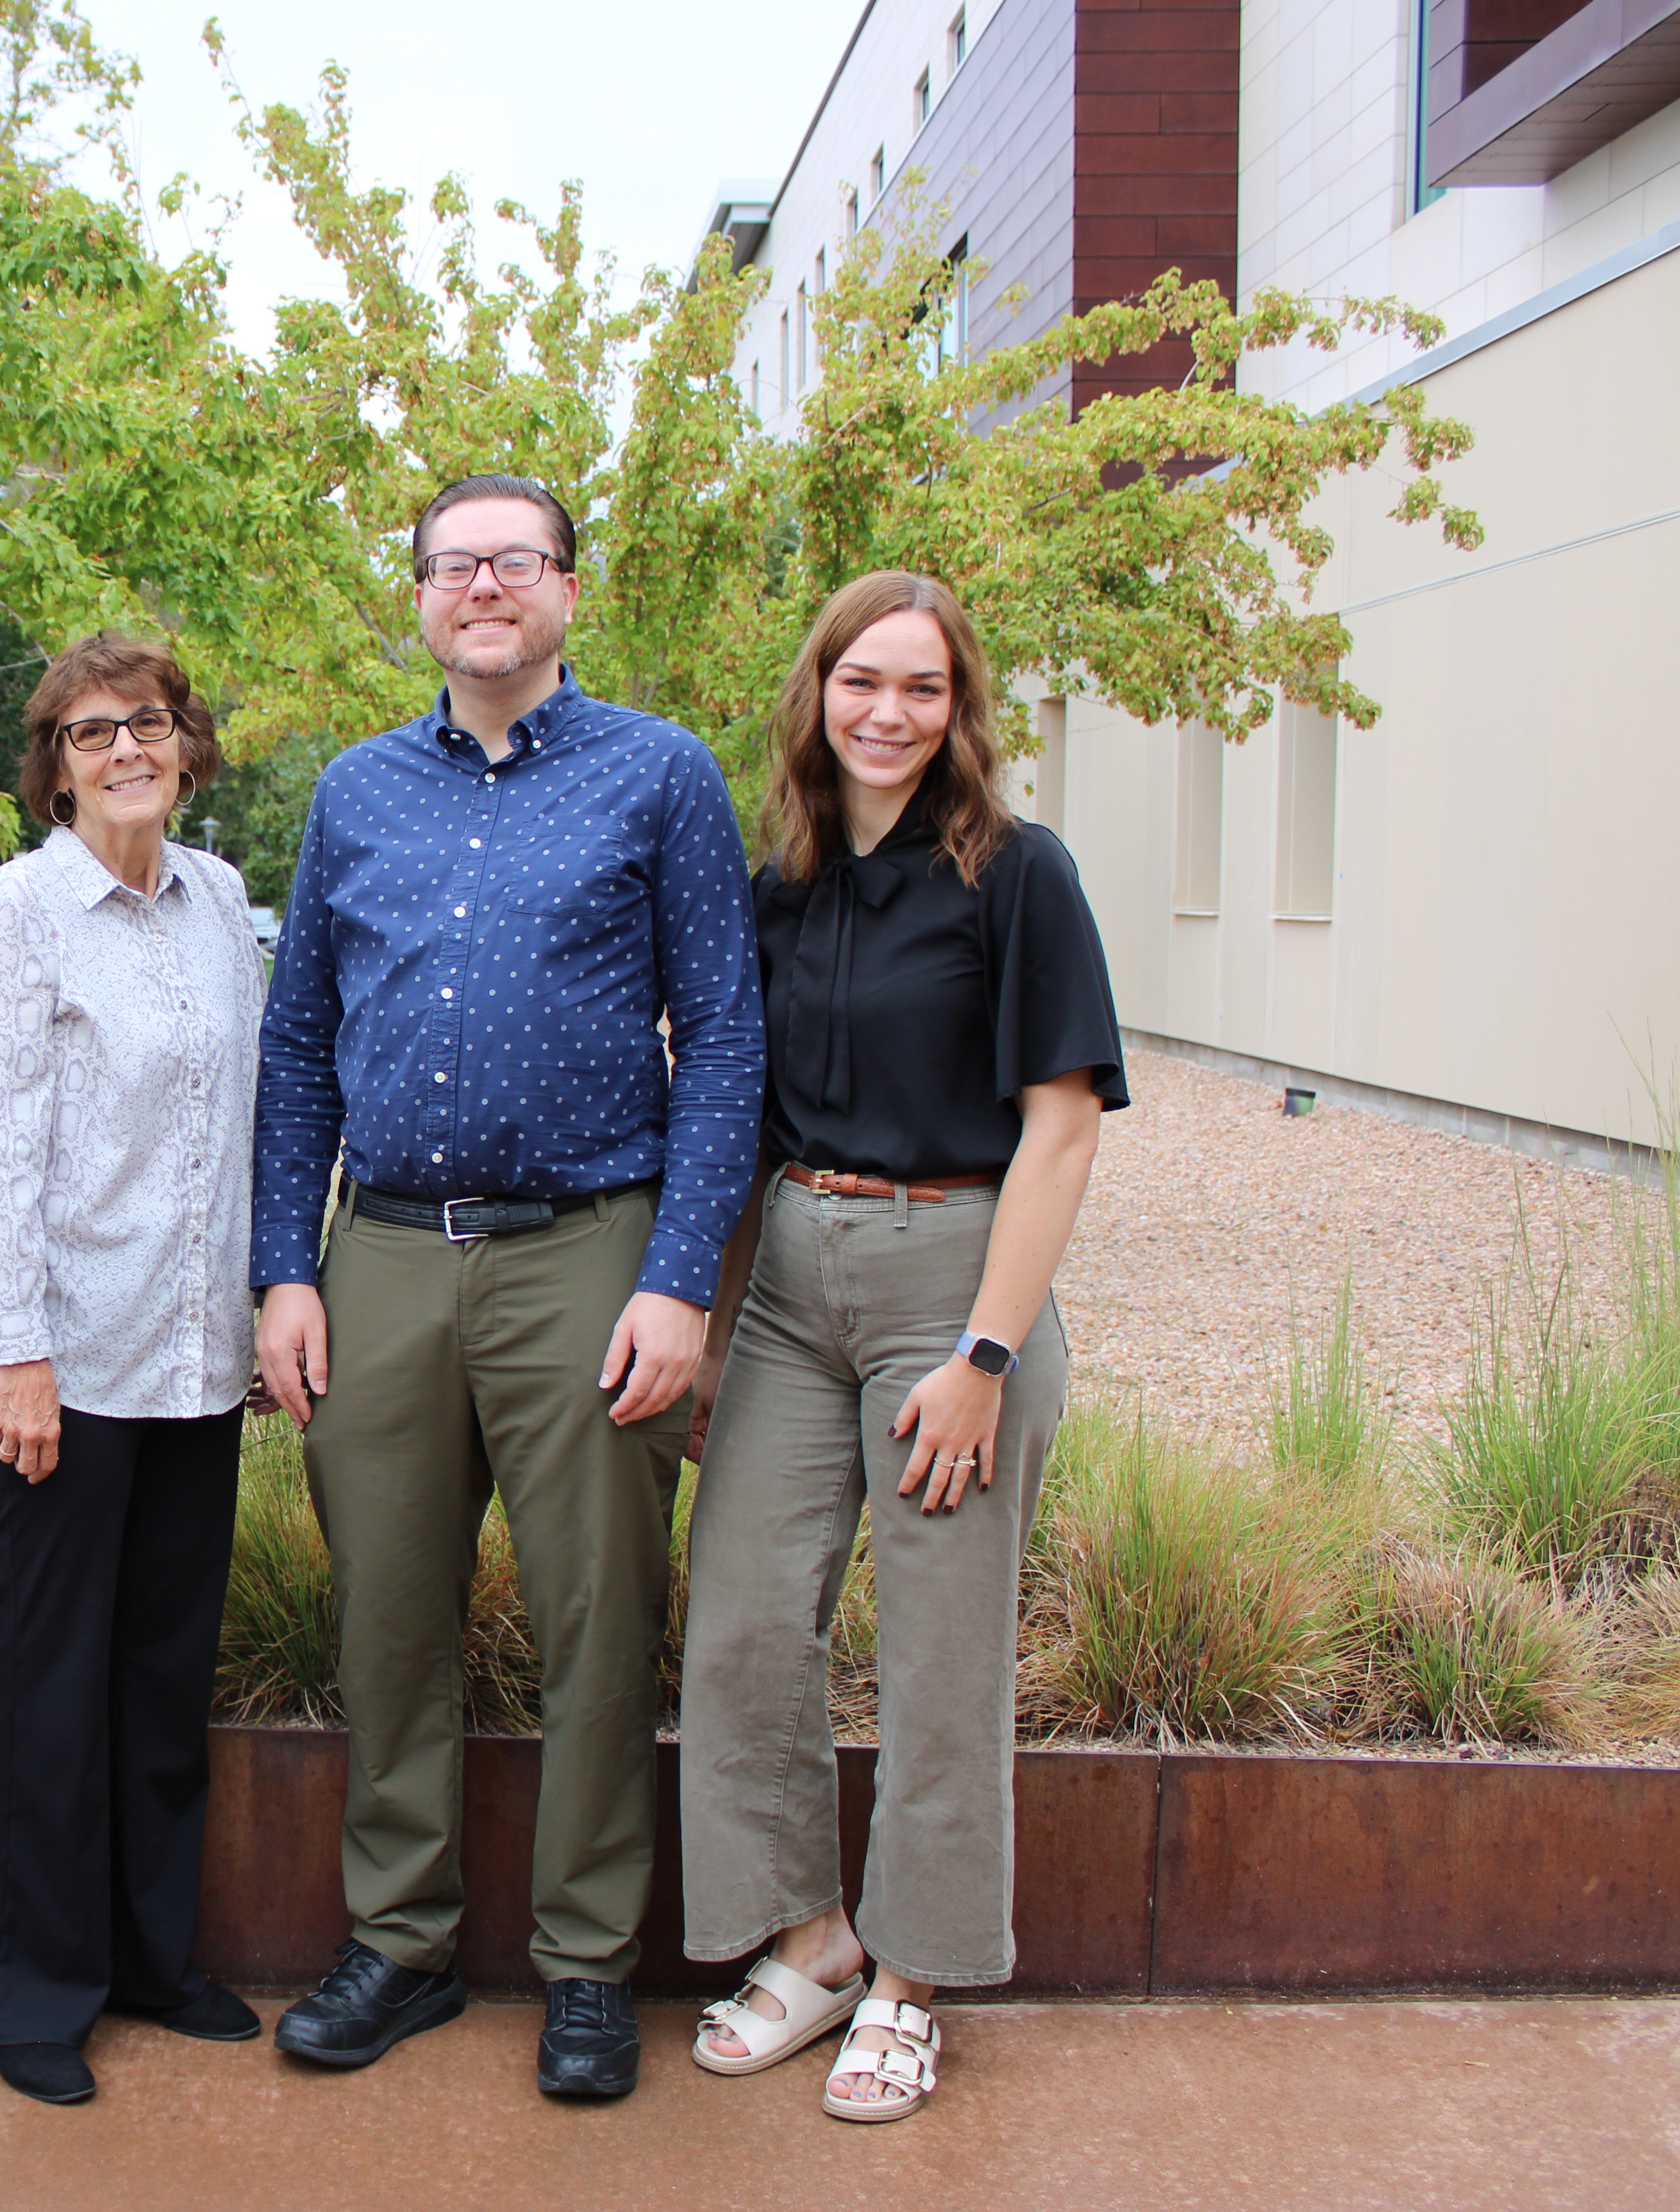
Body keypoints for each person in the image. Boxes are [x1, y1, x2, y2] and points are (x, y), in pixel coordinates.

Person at [252, 474, 765, 2100]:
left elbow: (729, 1040)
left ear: (565, 588)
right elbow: (293, 1051)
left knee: (602, 1616)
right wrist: (286, 1265)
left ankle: (589, 1965)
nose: (484, 585)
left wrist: (681, 1279)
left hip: (589, 1250)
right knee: (389, 1615)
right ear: (419, 597)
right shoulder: (354, 792)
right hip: (387, 1254)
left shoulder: (661, 776)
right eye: (454, 565)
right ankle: (399, 1941)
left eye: (515, 561)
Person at [677, 570, 1124, 2124]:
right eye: (863, 681)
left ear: (960, 708)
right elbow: (739, 1121)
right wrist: (721, 1329)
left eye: (923, 689)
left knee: (940, 1658)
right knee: (739, 1629)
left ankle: (917, 1981)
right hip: (794, 1285)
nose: (889, 713)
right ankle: (813, 1938)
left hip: (957, 1284)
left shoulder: (1017, 875)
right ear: (819, 691)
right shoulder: (781, 880)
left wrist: (988, 1357)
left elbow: (1062, 1133)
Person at [0, 634, 269, 2108]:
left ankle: (152, 1957)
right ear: (56, 766)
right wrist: (16, 1349)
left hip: (197, 1359)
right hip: (63, 1366)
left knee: (161, 1676)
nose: (125, 748)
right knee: (55, 1689)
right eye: (91, 733)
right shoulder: (21, 911)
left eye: (147, 722)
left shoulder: (220, 899)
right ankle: (33, 1991)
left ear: (188, 743)